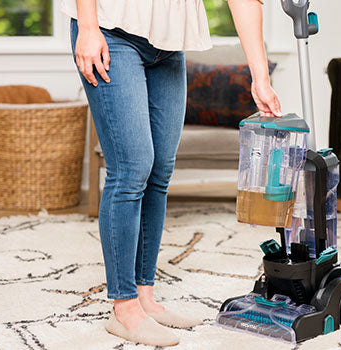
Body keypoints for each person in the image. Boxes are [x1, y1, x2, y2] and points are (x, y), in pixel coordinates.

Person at [62, 0, 282, 346]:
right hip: (110, 29)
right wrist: (88, 28)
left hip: (167, 44)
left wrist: (260, 78)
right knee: (131, 168)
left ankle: (144, 296)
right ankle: (124, 309)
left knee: (160, 169)